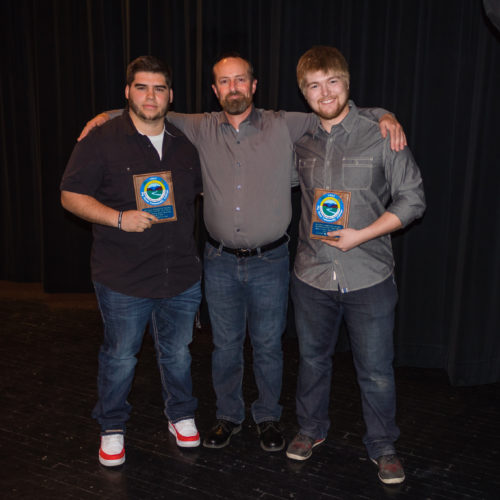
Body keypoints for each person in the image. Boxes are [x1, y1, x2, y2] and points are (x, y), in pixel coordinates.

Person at [78, 53, 406, 453]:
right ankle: (228, 416)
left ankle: (267, 416)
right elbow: (149, 108)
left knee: (269, 345)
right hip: (218, 260)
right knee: (225, 347)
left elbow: (335, 107)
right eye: (224, 82)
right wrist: (102, 116)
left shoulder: (286, 123)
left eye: (240, 81)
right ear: (214, 90)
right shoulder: (198, 126)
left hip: (272, 260)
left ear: (253, 86)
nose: (233, 88)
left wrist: (385, 115)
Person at [285, 46, 425, 485]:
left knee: (377, 371)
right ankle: (310, 430)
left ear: (347, 84)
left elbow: (414, 199)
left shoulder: (382, 133)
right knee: (311, 361)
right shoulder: (301, 141)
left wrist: (361, 236)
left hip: (369, 274)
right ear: (304, 93)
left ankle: (383, 446)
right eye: (313, 85)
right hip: (311, 276)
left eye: (332, 82)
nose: (324, 93)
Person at [61, 56, 203, 467]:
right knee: (120, 356)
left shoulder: (184, 145)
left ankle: (180, 414)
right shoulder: (101, 140)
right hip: (122, 278)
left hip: (179, 275)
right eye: (141, 87)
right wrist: (118, 218)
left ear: (170, 96)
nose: (150, 96)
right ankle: (112, 425)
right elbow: (70, 195)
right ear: (128, 92)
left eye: (159, 88)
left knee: (177, 353)